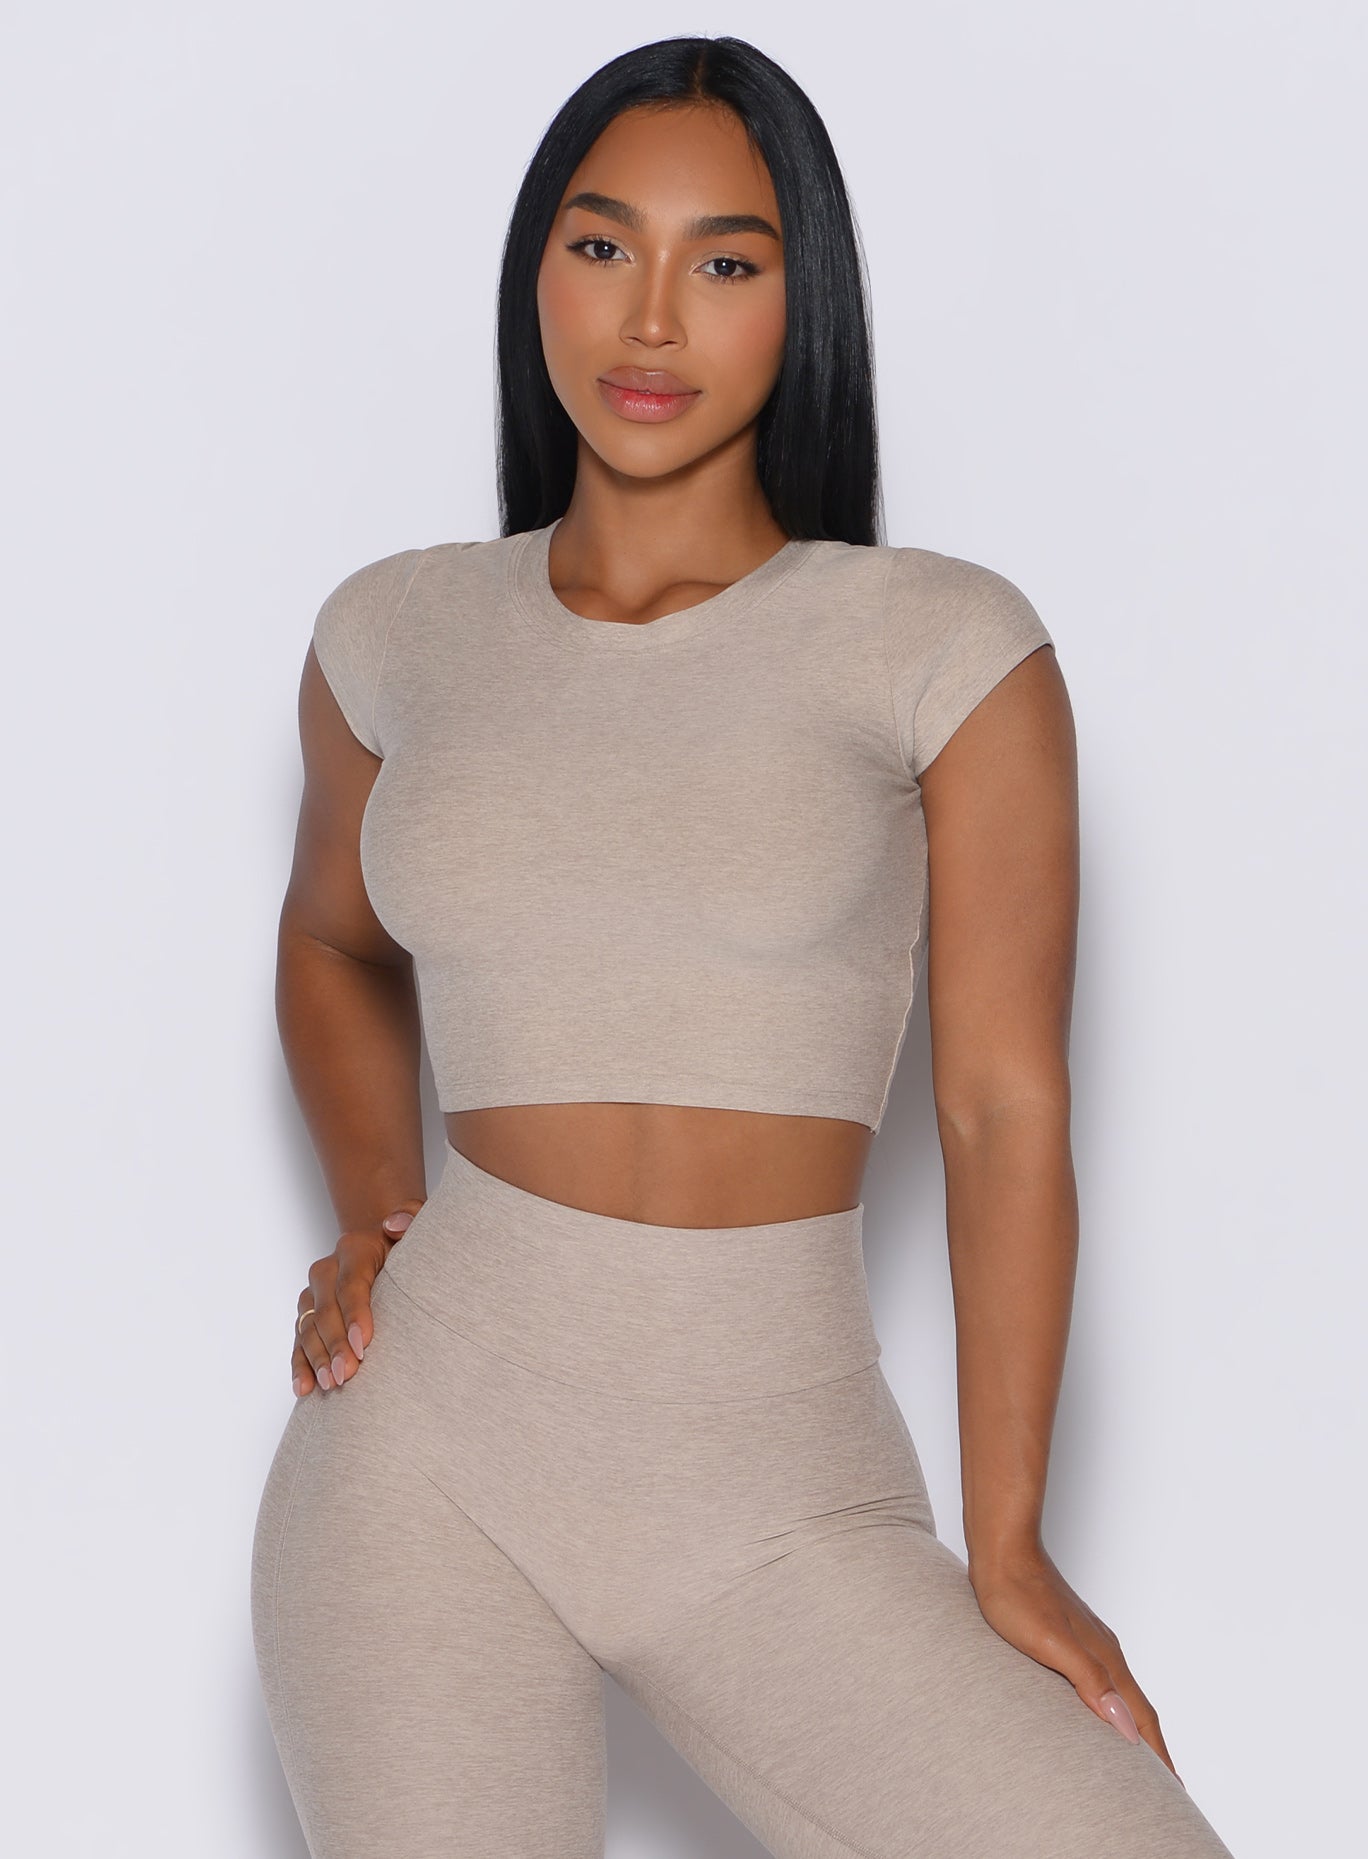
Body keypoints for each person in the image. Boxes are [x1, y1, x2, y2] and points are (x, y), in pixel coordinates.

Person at [250, 33, 1235, 1859]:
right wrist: (377, 1209)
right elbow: (329, 939)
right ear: (536, 268)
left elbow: (1003, 1108)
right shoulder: (394, 633)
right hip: (429, 1453)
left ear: (806, 300)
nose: (650, 319)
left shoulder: (940, 645)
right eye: (601, 244)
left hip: (781, 1483)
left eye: (726, 261)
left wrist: (1010, 1542)